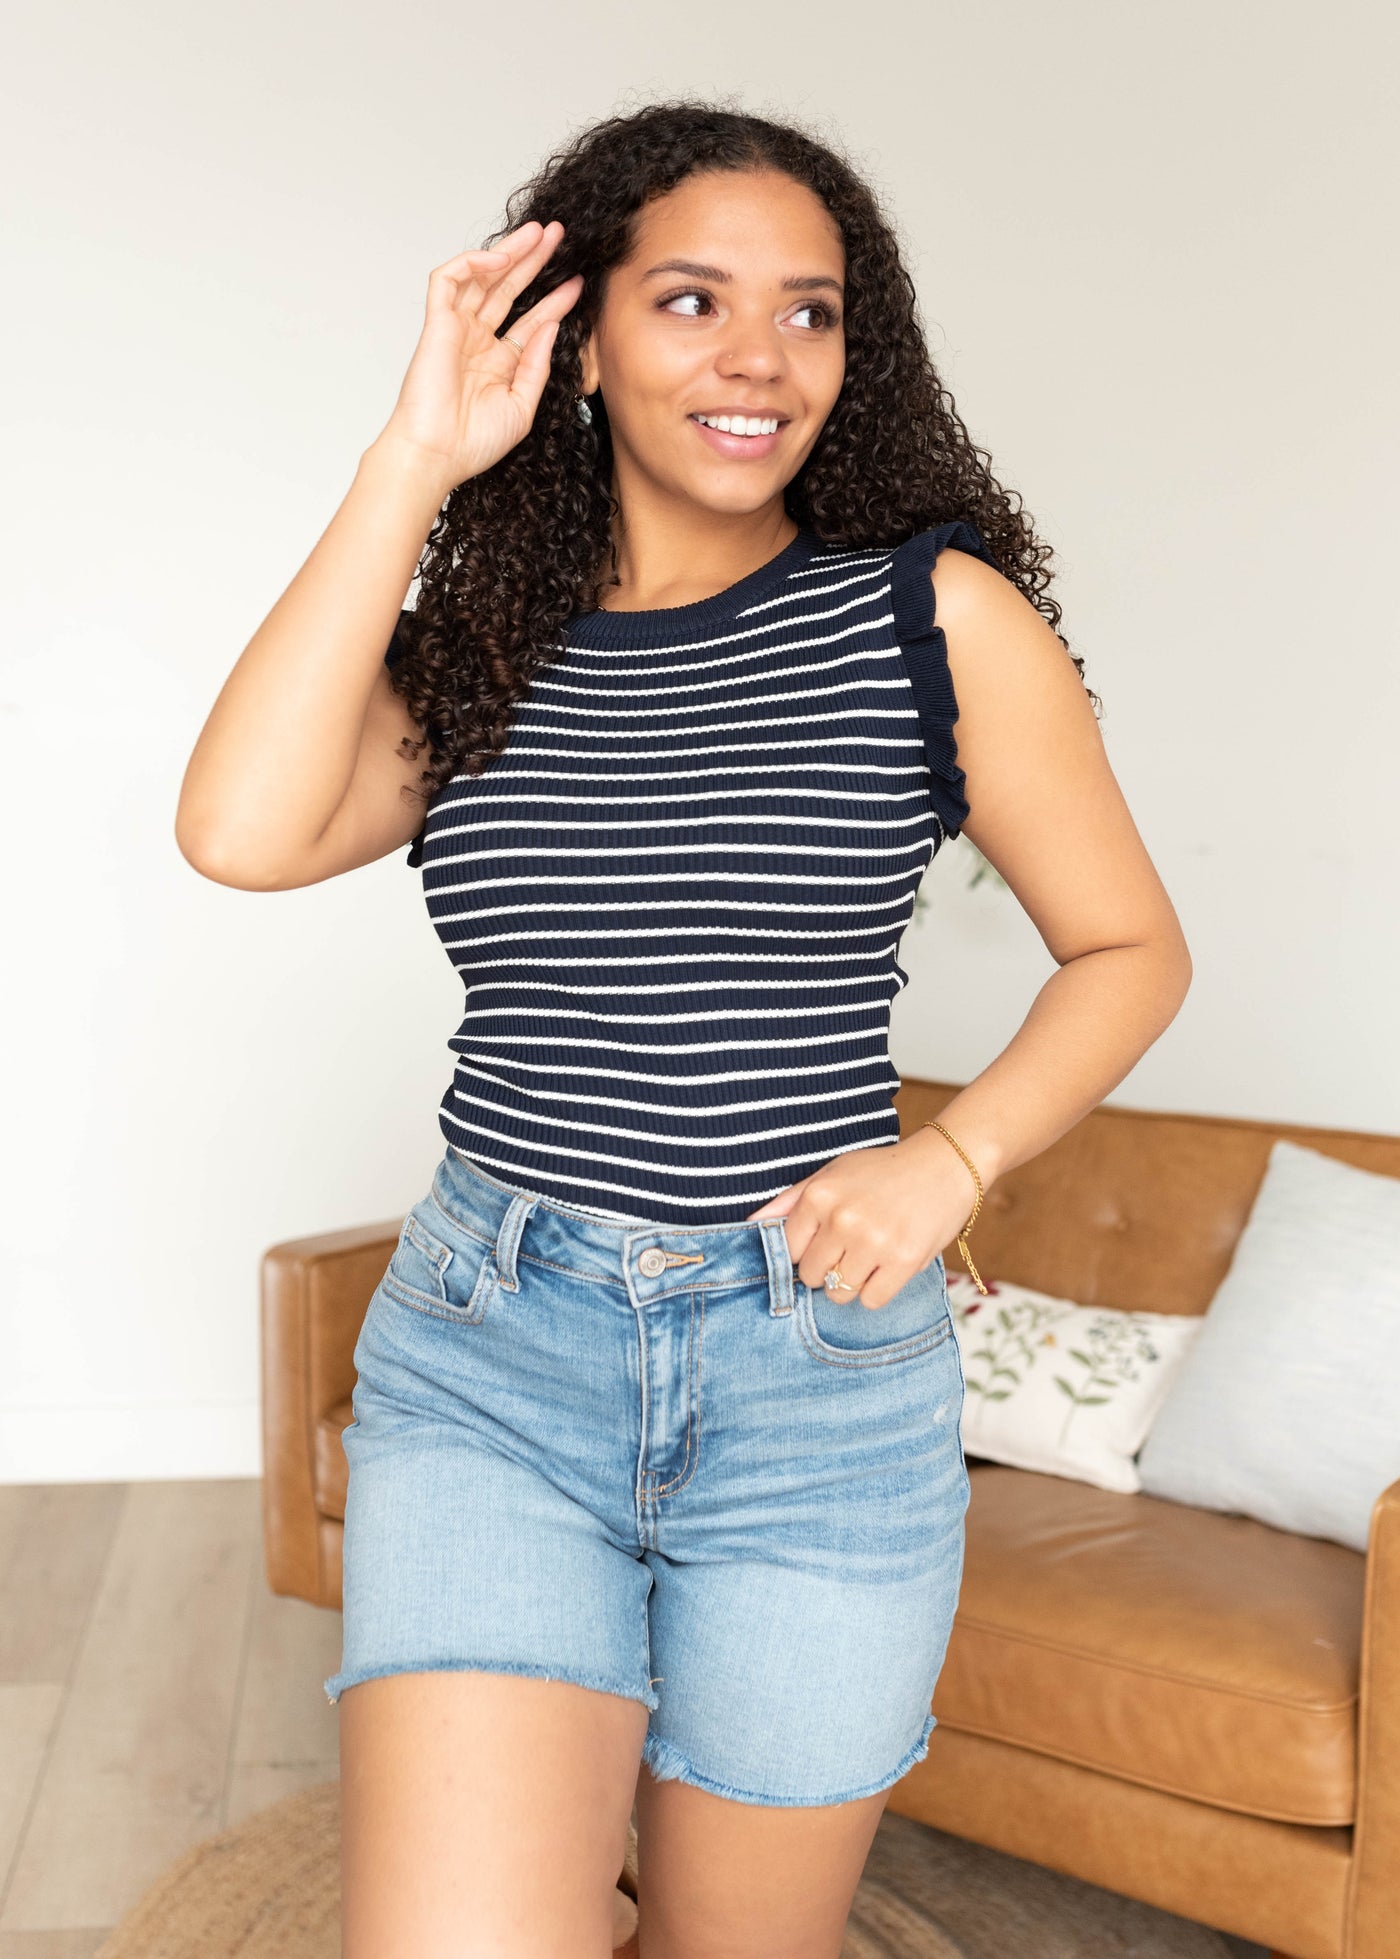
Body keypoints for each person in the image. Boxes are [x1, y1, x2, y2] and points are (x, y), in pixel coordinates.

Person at [177, 98, 1192, 1959]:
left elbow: (1128, 946)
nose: (759, 360)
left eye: (810, 314)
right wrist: (414, 458)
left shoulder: (930, 623)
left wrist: (948, 1156)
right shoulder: (485, 645)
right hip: (498, 1355)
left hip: (817, 1377)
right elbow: (238, 832)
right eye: (694, 303)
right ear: (580, 341)